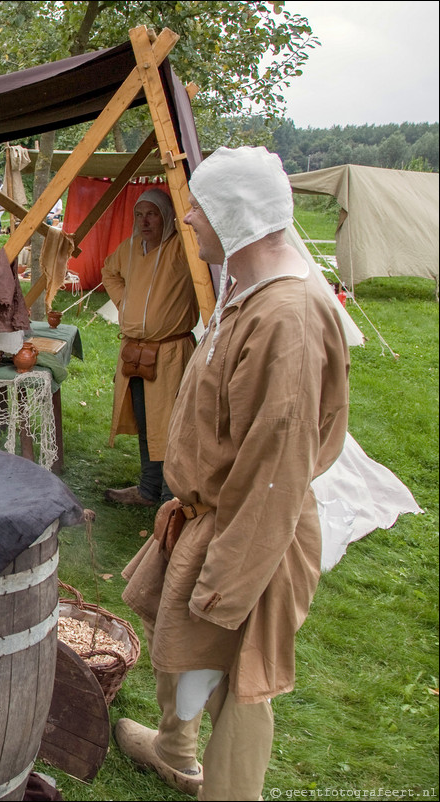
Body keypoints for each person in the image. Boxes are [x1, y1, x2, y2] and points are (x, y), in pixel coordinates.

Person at [116, 147, 350, 800]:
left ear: (237, 214)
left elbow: (276, 472)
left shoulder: (288, 319)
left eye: (201, 206)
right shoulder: (249, 285)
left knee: (241, 680)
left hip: (253, 533)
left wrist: (228, 580)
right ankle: (173, 750)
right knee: (186, 644)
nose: (186, 218)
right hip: (211, 516)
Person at [101, 189, 197, 507]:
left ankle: (172, 496)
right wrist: (124, 302)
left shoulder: (183, 250)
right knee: (145, 421)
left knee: (170, 425)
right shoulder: (129, 250)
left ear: (166, 216)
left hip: (170, 352)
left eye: (151, 214)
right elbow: (109, 272)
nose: (144, 221)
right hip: (134, 353)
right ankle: (148, 489)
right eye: (139, 214)